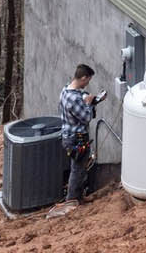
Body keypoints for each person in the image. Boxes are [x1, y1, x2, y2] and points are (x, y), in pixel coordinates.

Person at [58, 63, 104, 205]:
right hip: (77, 138)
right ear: (83, 78)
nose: (88, 84)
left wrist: (89, 99)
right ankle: (72, 200)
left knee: (77, 168)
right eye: (88, 80)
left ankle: (78, 197)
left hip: (68, 136)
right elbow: (86, 117)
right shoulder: (75, 99)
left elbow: (80, 97)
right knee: (78, 170)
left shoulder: (66, 91)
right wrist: (89, 104)